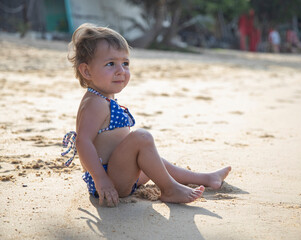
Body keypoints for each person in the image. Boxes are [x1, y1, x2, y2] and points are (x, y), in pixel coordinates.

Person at [61, 23, 231, 207]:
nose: (121, 70)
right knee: (142, 137)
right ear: (87, 71)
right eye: (110, 64)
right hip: (109, 180)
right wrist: (101, 179)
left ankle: (206, 178)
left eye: (125, 63)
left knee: (155, 161)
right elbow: (83, 141)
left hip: (120, 173)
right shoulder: (95, 103)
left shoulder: (104, 98)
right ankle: (170, 189)